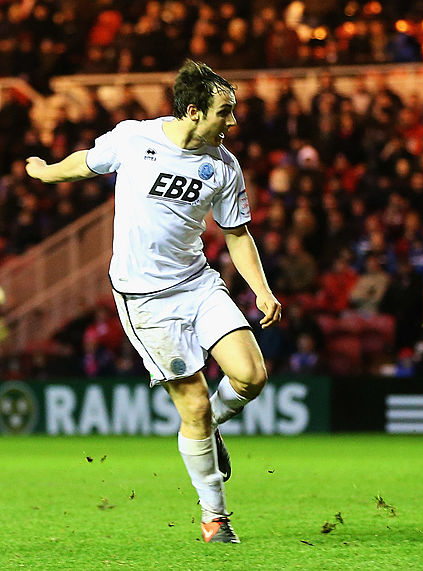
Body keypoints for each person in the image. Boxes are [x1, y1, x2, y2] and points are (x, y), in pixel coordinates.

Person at [25, 60, 282, 544]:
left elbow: (237, 233)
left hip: (197, 282)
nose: (233, 122)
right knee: (193, 404)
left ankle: (208, 429)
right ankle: (215, 517)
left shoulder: (224, 165)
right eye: (225, 112)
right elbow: (86, 161)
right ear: (193, 111)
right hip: (144, 299)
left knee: (251, 375)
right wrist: (45, 173)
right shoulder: (133, 138)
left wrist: (262, 290)